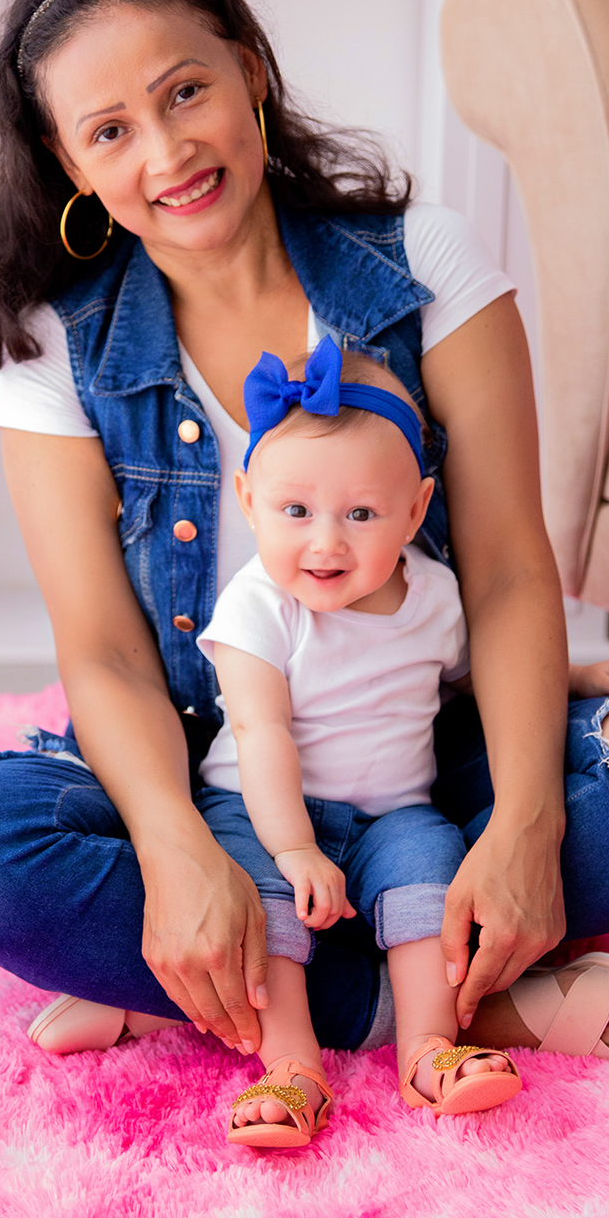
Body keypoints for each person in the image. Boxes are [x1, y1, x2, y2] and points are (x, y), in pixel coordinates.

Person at [0, 0, 609, 1083]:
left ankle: (257, 998)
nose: (166, 151)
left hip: (426, 749)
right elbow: (106, 653)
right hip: (209, 765)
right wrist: (171, 853)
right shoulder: (59, 348)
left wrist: (524, 824)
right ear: (72, 168)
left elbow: (511, 566)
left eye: (185, 93)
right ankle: (458, 999)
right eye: (111, 130)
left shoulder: (422, 264)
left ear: (251, 73)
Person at [203, 339, 521, 1145]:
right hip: (262, 807)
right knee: (259, 897)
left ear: (414, 511)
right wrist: (297, 849)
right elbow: (261, 731)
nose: (326, 544)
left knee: (432, 874)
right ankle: (293, 1064)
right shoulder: (258, 610)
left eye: (362, 515)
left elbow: (475, 676)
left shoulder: (436, 597)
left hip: (392, 814)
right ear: (248, 500)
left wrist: (575, 673)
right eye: (296, 512)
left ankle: (428, 1048)